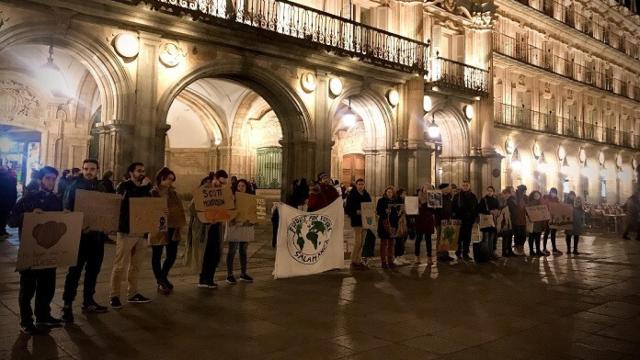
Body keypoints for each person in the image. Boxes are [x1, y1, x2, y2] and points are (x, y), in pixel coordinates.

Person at [8, 166, 63, 335]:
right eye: (48, 178)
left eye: (54, 179)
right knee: (28, 288)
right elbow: (11, 220)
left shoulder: (55, 199)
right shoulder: (27, 199)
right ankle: (26, 321)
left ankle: (43, 316)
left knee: (47, 286)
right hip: (31, 250)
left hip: (49, 251)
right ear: (40, 180)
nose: (51, 182)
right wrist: (28, 214)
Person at [60, 159, 109, 323]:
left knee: (93, 270)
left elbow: (108, 210)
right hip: (80, 237)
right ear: (82, 169)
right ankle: (67, 304)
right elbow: (66, 209)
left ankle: (88, 301)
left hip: (97, 237)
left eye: (92, 169)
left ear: (97, 170)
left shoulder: (101, 187)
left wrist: (107, 225)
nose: (89, 171)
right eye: (86, 168)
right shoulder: (74, 186)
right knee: (74, 271)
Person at [109, 162, 153, 309]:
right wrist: (143, 187)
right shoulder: (124, 186)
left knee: (136, 265)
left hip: (142, 231)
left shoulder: (147, 188)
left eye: (143, 171)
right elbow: (129, 203)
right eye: (139, 171)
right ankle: (114, 295)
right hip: (127, 230)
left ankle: (133, 293)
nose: (142, 173)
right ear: (131, 172)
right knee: (120, 264)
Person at [148, 167, 185, 294]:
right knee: (157, 254)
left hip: (172, 226)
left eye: (172, 179)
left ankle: (162, 277)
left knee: (172, 255)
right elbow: (147, 208)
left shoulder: (173, 192)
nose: (171, 182)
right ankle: (161, 279)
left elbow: (179, 207)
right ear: (161, 178)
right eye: (169, 179)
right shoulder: (153, 192)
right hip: (158, 227)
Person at [198, 170, 229, 289]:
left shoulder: (221, 191)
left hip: (217, 224)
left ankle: (209, 278)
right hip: (207, 226)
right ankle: (204, 279)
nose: (221, 185)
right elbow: (196, 206)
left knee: (216, 253)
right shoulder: (204, 189)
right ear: (215, 178)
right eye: (220, 182)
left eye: (224, 184)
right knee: (208, 253)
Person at [226, 179, 255, 284]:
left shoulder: (251, 199)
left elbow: (254, 212)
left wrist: (253, 220)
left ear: (246, 187)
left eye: (243, 186)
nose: (241, 188)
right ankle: (229, 274)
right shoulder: (232, 198)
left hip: (246, 226)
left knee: (243, 250)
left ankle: (243, 273)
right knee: (232, 250)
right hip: (235, 226)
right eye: (239, 186)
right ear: (236, 187)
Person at [345, 178, 372, 270]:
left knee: (363, 242)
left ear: (364, 185)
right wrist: (356, 212)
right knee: (358, 241)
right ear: (356, 185)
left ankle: (358, 260)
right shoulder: (351, 195)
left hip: (365, 220)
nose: (361, 186)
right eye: (359, 184)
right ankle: (353, 261)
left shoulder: (366, 194)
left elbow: (369, 206)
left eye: (362, 184)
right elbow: (347, 209)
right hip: (356, 221)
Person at [452, 180, 477, 260]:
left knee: (467, 237)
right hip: (459, 220)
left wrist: (473, 218)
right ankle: (458, 252)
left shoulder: (473, 196)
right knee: (459, 237)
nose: (465, 186)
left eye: (467, 185)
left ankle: (466, 253)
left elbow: (475, 208)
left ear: (469, 186)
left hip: (469, 220)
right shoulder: (457, 196)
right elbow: (453, 207)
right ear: (461, 186)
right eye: (464, 185)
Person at [377, 186, 399, 269]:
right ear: (385, 192)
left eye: (391, 192)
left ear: (393, 193)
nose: (389, 193)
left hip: (393, 224)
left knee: (391, 243)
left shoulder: (395, 201)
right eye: (388, 192)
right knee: (383, 243)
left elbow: (397, 214)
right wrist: (385, 211)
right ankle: (383, 262)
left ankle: (390, 261)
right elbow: (378, 211)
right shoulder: (381, 201)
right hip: (384, 223)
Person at [415, 185, 436, 263]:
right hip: (420, 220)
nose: (426, 189)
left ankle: (429, 257)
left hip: (428, 220)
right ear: (422, 189)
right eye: (425, 187)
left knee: (428, 240)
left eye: (428, 188)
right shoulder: (417, 197)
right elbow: (413, 208)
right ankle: (417, 256)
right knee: (418, 239)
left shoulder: (432, 198)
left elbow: (434, 211)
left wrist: (434, 207)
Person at [478, 186, 500, 258]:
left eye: (491, 191)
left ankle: (492, 252)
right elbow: (480, 209)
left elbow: (498, 208)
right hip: (486, 220)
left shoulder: (495, 200)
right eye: (488, 190)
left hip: (493, 220)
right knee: (485, 237)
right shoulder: (483, 200)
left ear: (493, 192)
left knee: (492, 237)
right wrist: (489, 211)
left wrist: (496, 211)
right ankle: (485, 252)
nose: (489, 192)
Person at [435, 183, 454, 262]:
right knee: (440, 237)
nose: (449, 189)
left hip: (447, 220)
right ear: (443, 189)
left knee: (446, 237)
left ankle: (445, 254)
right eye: (448, 188)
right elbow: (436, 210)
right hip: (440, 220)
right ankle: (439, 254)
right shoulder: (438, 197)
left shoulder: (448, 197)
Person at [542, 188, 563, 255]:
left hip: (554, 219)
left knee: (553, 233)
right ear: (550, 192)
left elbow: (558, 207)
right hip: (548, 219)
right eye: (552, 192)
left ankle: (554, 249)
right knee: (546, 233)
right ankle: (544, 248)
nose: (553, 194)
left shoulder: (556, 199)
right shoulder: (546, 198)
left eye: (555, 192)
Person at [526, 190, 546, 257]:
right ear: (532, 196)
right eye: (535, 195)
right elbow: (527, 212)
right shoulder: (530, 203)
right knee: (531, 237)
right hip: (533, 223)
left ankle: (538, 250)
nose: (536, 196)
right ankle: (531, 251)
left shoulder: (541, 203)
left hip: (539, 223)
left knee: (538, 237)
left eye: (538, 195)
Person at [393, 188, 410, 266]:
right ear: (400, 194)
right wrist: (400, 211)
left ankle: (401, 256)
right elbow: (396, 213)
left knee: (403, 240)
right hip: (399, 223)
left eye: (406, 193)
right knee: (399, 240)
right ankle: (397, 257)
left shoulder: (405, 201)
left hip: (405, 223)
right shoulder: (397, 201)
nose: (405, 195)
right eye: (404, 193)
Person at [0, 166, 18, 239]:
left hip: (4, 202)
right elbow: (13, 192)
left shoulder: (9, 179)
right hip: (7, 202)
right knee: (3, 218)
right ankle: (2, 232)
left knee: (2, 218)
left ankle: (2, 232)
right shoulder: (10, 179)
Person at [498, 187, 516, 257]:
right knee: (505, 236)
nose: (506, 195)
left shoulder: (511, 200)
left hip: (510, 220)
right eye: (505, 194)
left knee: (509, 236)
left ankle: (509, 250)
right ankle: (504, 252)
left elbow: (513, 210)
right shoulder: (503, 201)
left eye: (508, 193)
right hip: (505, 220)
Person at [513, 185, 528, 256]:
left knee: (523, 235)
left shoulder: (526, 197)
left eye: (525, 191)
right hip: (516, 220)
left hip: (523, 219)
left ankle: (521, 248)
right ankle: (517, 248)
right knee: (517, 235)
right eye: (524, 190)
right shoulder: (515, 198)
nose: (525, 192)